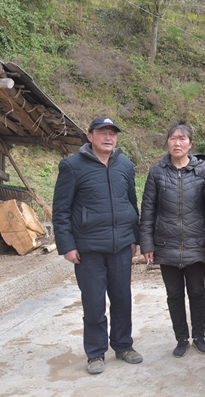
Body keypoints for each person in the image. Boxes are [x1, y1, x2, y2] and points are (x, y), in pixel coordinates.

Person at [53, 116, 142, 375]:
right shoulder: (72, 166)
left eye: (112, 133)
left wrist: (133, 237)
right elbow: (61, 210)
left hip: (121, 246)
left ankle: (123, 345)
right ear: (89, 136)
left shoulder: (124, 164)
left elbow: (131, 204)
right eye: (101, 132)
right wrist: (67, 245)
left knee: (122, 298)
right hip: (88, 248)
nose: (107, 137)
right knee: (93, 302)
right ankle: (95, 352)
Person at [140, 122, 205, 358]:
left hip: (196, 243)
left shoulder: (201, 172)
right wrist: (147, 244)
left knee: (197, 292)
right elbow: (148, 210)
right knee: (174, 295)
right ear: (167, 142)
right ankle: (181, 338)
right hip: (166, 244)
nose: (177, 142)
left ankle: (199, 336)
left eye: (182, 138)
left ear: (190, 144)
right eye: (173, 138)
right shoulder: (157, 172)